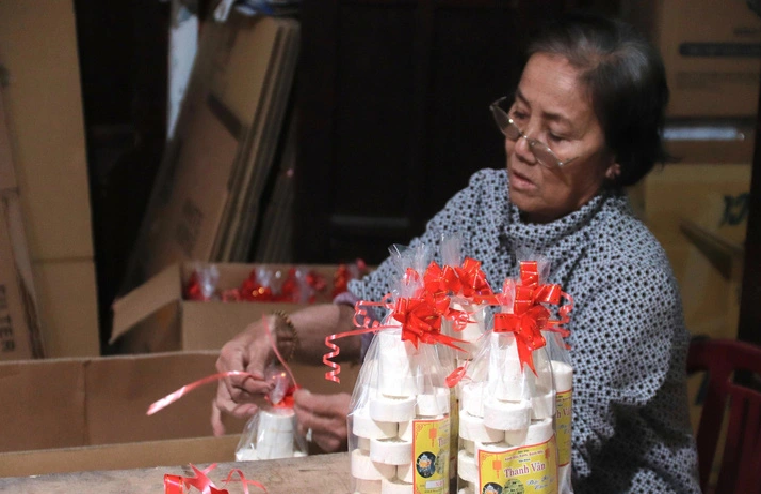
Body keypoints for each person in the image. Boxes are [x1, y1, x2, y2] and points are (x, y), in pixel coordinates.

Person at [213, 11, 700, 493]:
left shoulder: (628, 273)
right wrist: (279, 336)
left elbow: (555, 454)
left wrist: (403, 430)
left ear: (616, 160)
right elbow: (373, 315)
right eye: (520, 115)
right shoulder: (484, 203)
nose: (522, 146)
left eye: (556, 134)